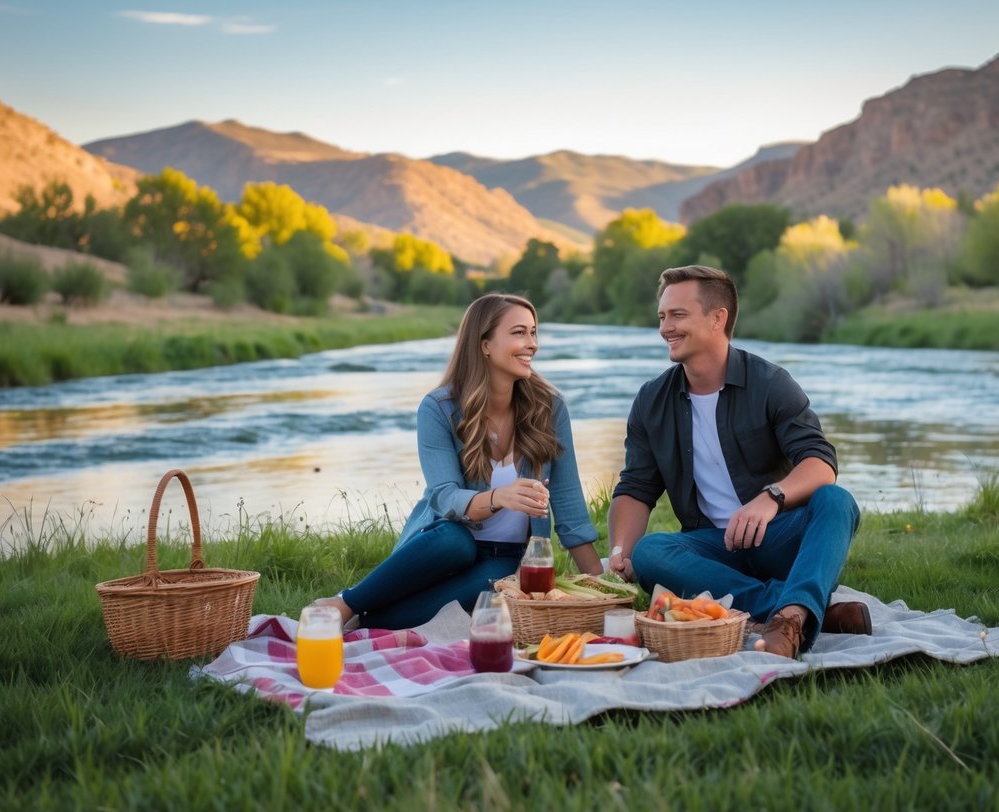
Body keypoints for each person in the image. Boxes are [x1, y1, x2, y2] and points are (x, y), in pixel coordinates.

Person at [607, 265, 869, 659]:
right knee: (651, 553)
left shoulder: (769, 382)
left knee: (837, 501)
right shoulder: (651, 400)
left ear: (718, 318)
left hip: (777, 535)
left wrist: (771, 498)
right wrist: (618, 553)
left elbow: (820, 462)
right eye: (662, 316)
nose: (665, 328)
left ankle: (790, 614)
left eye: (678, 315)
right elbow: (636, 487)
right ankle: (799, 609)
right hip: (712, 550)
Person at [316, 294, 602, 629]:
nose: (532, 344)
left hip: (506, 561)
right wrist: (499, 497)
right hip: (443, 547)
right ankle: (346, 603)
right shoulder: (439, 408)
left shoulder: (550, 408)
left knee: (387, 619)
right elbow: (445, 497)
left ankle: (364, 615)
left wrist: (600, 585)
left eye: (534, 333)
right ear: (484, 344)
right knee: (456, 541)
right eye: (519, 333)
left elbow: (568, 503)